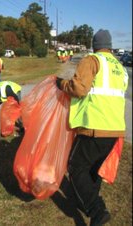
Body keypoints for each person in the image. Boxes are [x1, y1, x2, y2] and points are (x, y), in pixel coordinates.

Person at [56, 29, 128, 226]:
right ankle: (89, 201)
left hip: (95, 126)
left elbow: (79, 88)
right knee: (93, 169)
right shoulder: (119, 67)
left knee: (75, 166)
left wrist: (61, 84)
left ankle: (97, 210)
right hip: (115, 128)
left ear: (94, 44)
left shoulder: (93, 60)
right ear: (110, 45)